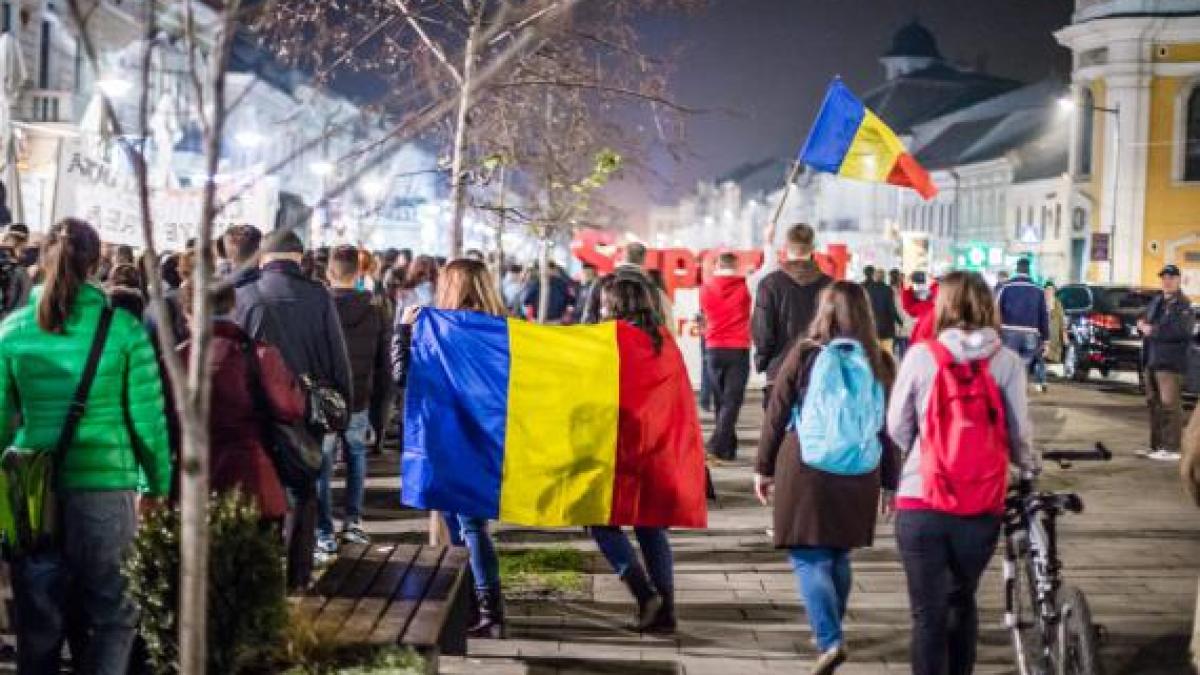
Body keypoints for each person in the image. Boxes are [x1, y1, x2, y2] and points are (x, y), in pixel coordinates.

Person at [0, 218, 172, 674]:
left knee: (37, 621)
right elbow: (148, 421)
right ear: (98, 264)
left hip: (31, 491)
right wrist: (157, 484)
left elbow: (0, 421)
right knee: (112, 616)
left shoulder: (13, 331)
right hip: (105, 490)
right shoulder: (123, 331)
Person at [887, 271, 1037, 675]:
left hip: (922, 499)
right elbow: (1019, 432)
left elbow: (896, 427)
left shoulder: (922, 355)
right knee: (962, 598)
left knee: (927, 614)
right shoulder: (1006, 361)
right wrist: (1027, 470)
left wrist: (923, 450)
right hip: (981, 504)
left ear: (944, 306)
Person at [754, 281, 900, 673]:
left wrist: (763, 468)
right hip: (861, 470)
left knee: (808, 556)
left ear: (825, 311)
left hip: (807, 468)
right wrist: (890, 482)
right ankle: (829, 626)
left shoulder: (805, 353)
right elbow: (891, 430)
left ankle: (829, 638)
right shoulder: (881, 362)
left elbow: (777, 413)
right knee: (838, 551)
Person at [394, 258, 507, 639]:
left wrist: (403, 332)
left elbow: (403, 377)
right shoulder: (501, 329)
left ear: (451, 286)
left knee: (461, 524)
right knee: (474, 524)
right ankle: (486, 607)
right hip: (485, 434)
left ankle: (478, 605)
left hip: (445, 436)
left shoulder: (438, 328)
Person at [236, 230, 353, 590]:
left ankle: (262, 575)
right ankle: (297, 578)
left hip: (255, 413)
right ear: (299, 259)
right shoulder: (318, 296)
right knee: (304, 491)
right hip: (305, 413)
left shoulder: (243, 296)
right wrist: (341, 408)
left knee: (259, 490)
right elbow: (337, 356)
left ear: (263, 258)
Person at [588, 274, 679, 633]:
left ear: (614, 306)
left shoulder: (606, 342)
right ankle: (666, 610)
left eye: (603, 303)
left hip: (615, 447)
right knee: (650, 527)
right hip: (655, 447)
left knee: (600, 520)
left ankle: (644, 595)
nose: (598, 309)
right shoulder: (663, 342)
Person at [178, 280, 302, 524]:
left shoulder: (176, 359)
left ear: (188, 312)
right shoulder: (261, 355)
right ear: (233, 306)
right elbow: (290, 408)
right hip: (252, 479)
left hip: (193, 482)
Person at [319, 246, 390, 554]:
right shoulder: (376, 310)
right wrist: (381, 413)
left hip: (325, 399)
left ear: (329, 273)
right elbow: (383, 364)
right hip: (359, 398)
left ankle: (323, 529)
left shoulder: (320, 308)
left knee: (322, 464)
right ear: (359, 273)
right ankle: (353, 521)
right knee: (357, 458)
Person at [752, 223, 831, 403]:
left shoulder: (769, 284)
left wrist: (763, 361)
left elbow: (763, 331)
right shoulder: (830, 286)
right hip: (819, 368)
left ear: (786, 248)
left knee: (777, 429)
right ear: (813, 248)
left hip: (779, 370)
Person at [1138, 264, 1195, 462]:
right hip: (1152, 360)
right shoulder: (1157, 302)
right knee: (1154, 405)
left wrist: (1151, 330)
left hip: (1170, 363)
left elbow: (1181, 332)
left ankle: (1173, 448)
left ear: (1179, 280)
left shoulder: (1184, 306)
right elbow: (1145, 321)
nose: (1167, 281)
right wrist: (1142, 326)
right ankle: (1156, 446)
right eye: (1164, 277)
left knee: (1170, 405)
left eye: (1171, 277)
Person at [700, 252, 751, 462]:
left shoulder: (704, 288)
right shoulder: (746, 286)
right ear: (737, 264)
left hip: (712, 349)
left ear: (717, 265)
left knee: (722, 401)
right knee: (732, 401)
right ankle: (715, 445)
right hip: (738, 348)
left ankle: (727, 449)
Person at [995, 258, 1049, 392]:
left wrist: (995, 331)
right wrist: (1046, 339)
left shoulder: (1006, 288)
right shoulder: (1039, 290)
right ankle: (1020, 391)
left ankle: (1007, 391)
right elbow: (1044, 315)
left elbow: (996, 310)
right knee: (1024, 365)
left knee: (1008, 363)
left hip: (1008, 331)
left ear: (1016, 270)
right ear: (1029, 271)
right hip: (1031, 332)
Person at [863, 265, 900, 355]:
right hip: (887, 327)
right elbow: (891, 308)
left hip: (872, 326)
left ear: (874, 277)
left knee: (874, 353)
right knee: (887, 353)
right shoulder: (888, 289)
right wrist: (899, 321)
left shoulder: (867, 289)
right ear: (884, 278)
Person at [902, 271, 938, 343]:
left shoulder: (936, 306)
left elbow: (910, 308)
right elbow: (910, 308)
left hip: (928, 345)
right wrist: (907, 290)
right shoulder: (926, 306)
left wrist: (934, 285)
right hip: (920, 346)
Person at [1041, 282, 1066, 383]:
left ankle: (1049, 374)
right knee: (1042, 354)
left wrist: (1064, 334)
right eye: (1047, 289)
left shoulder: (1057, 303)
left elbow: (1061, 319)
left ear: (1054, 291)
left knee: (1054, 354)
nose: (1049, 292)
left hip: (1055, 333)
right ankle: (1042, 376)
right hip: (1043, 333)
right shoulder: (1041, 301)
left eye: (1051, 290)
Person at [890, 269, 913, 360]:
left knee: (898, 341)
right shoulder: (905, 289)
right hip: (904, 317)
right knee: (903, 341)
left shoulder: (889, 289)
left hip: (897, 318)